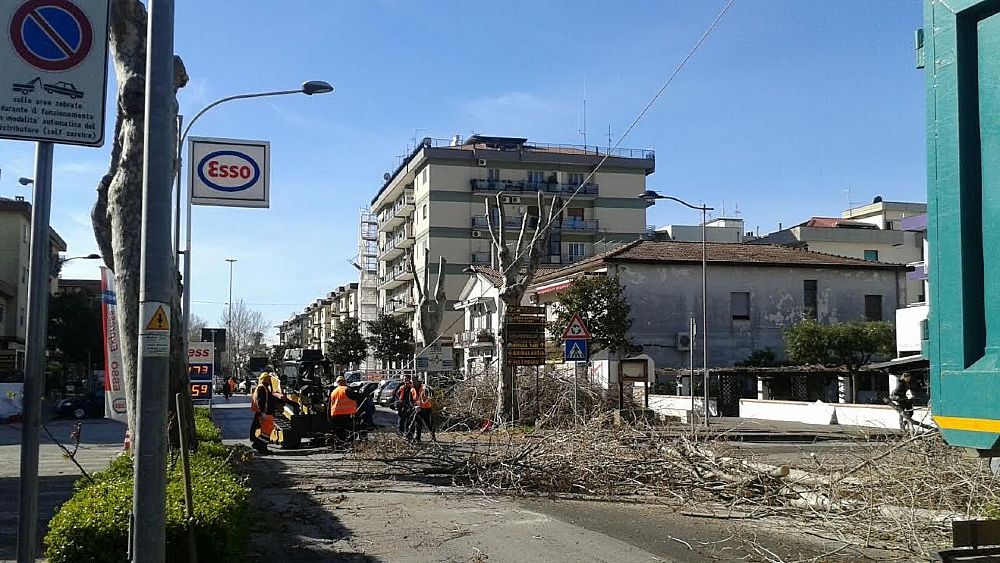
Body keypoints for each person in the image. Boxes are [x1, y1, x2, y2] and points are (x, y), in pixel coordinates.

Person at [328, 375, 363, 444]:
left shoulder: (333, 392)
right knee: (349, 430)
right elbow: (355, 397)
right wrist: (363, 395)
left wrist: (329, 416)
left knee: (339, 431)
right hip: (346, 414)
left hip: (336, 415)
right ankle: (347, 443)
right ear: (344, 382)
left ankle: (339, 444)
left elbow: (329, 404)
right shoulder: (346, 389)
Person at [250, 372, 276, 454]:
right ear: (263, 379)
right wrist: (262, 413)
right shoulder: (262, 388)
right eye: (267, 379)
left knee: (266, 431)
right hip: (265, 413)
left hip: (265, 413)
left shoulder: (263, 387)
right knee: (266, 431)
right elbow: (261, 401)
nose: (269, 380)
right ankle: (259, 445)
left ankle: (261, 447)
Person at [395, 375, 415, 439]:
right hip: (402, 408)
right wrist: (397, 408)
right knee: (401, 422)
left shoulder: (413, 389)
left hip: (411, 408)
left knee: (410, 423)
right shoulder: (401, 388)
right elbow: (397, 399)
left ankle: (409, 436)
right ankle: (400, 436)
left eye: (407, 380)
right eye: (405, 380)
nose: (406, 381)